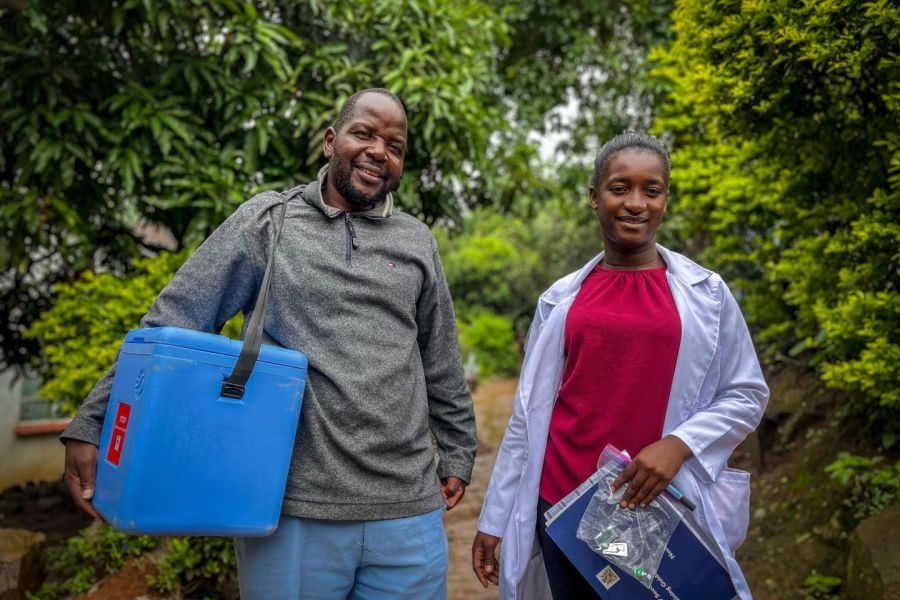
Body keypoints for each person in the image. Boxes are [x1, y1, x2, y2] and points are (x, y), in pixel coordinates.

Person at [61, 88, 477, 600]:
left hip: (408, 513)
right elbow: (175, 320)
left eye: (395, 145)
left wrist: (458, 450)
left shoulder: (417, 242)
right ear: (331, 141)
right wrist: (93, 420)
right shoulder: (268, 222)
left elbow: (440, 358)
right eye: (364, 133)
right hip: (291, 510)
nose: (378, 151)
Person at [471, 131, 769, 600]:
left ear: (665, 200)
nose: (635, 203)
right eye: (619, 188)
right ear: (595, 197)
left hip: (649, 508)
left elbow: (747, 393)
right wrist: (495, 518)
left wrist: (679, 444)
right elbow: (529, 418)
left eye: (651, 190)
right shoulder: (562, 299)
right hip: (563, 505)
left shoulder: (706, 295)